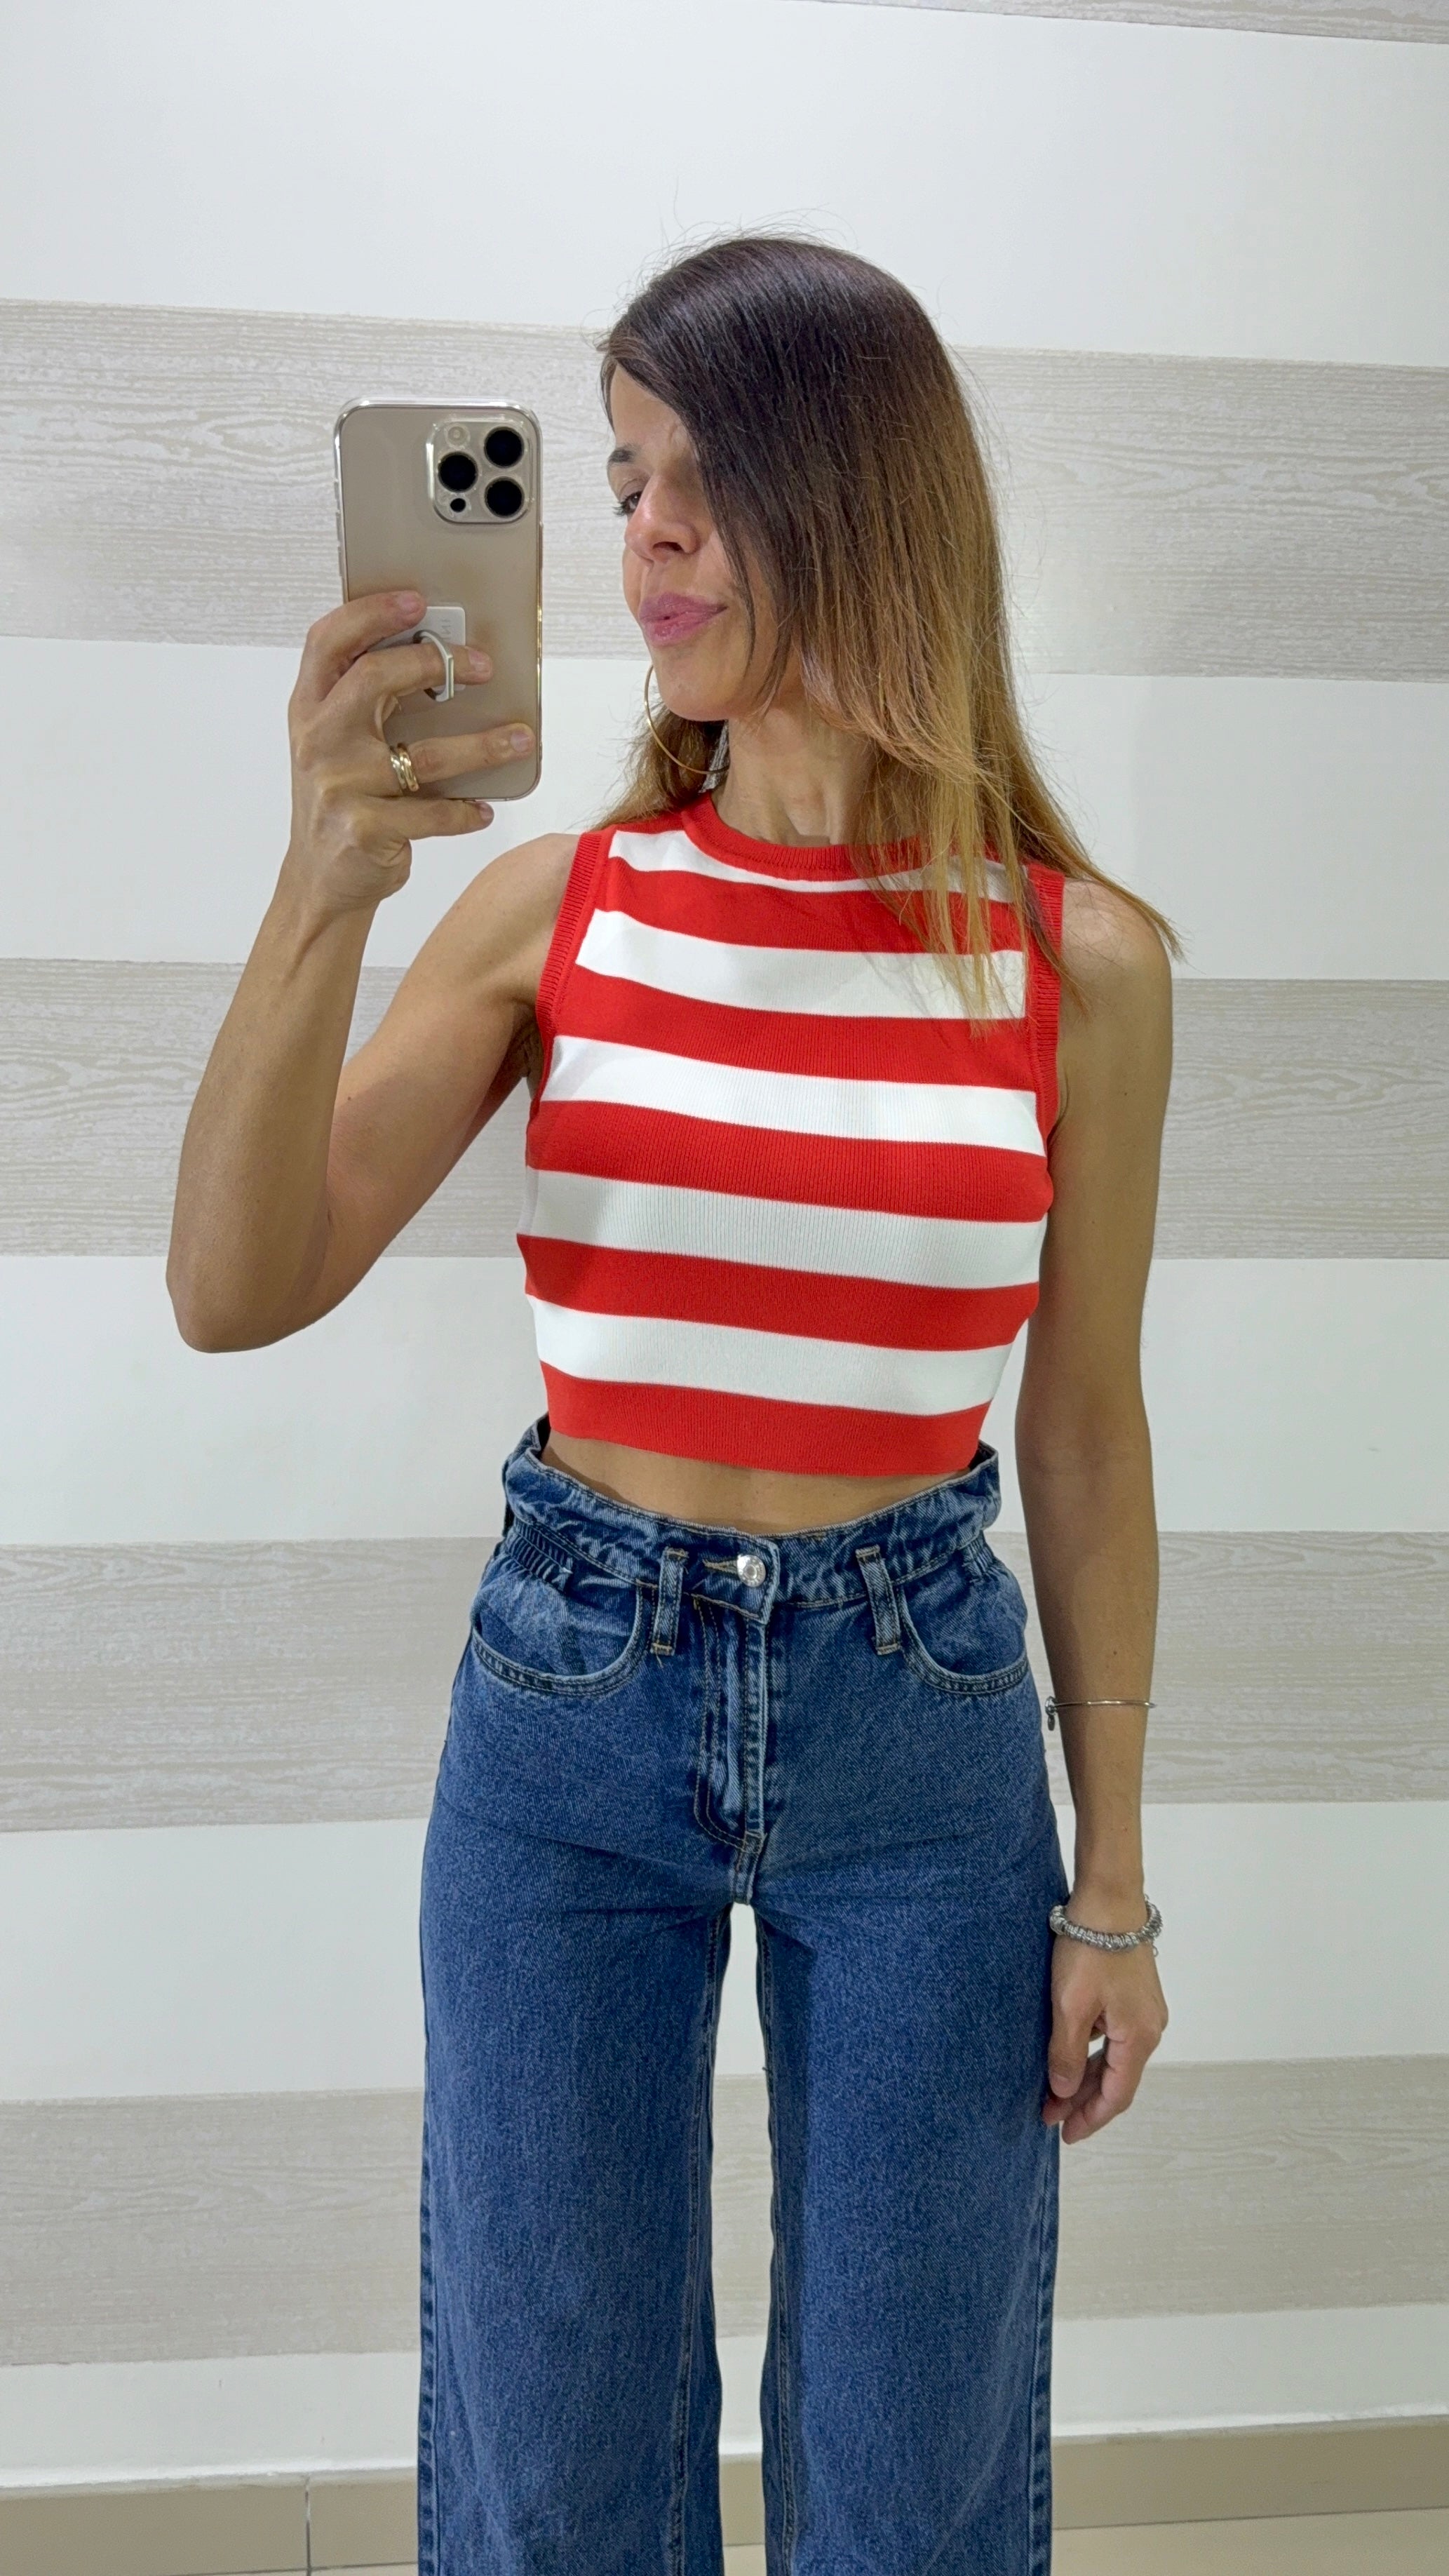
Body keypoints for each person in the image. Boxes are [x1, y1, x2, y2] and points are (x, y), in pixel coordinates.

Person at [168, 232, 1173, 2576]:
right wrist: (326, 880)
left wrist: (1113, 1887)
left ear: (866, 495)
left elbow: (1085, 1434)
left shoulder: (1077, 962)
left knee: (914, 2479)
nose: (644, 535)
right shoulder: (560, 909)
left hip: (918, 1723)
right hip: (572, 1702)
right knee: (557, 2464)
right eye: (622, 479)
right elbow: (232, 1288)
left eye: (704, 477)